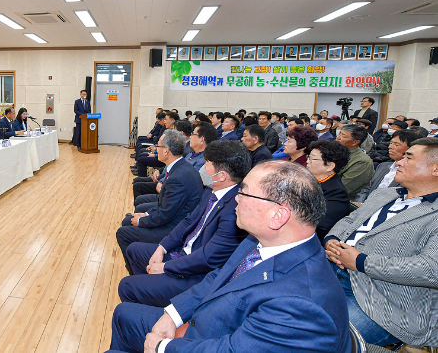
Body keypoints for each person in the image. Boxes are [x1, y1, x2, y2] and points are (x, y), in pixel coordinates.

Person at [108, 161, 351, 353]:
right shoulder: (259, 240)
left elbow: (231, 349)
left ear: (278, 216)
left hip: (211, 339)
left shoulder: (301, 305)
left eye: (245, 194)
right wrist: (173, 314)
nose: (236, 198)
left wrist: (163, 347)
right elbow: (217, 277)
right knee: (123, 315)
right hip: (204, 326)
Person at [325, 137, 438, 347]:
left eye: (408, 158)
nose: (399, 162)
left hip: (383, 301)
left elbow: (432, 269)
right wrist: (332, 239)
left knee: (319, 338)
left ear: (435, 169)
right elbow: (350, 220)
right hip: (331, 273)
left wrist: (361, 262)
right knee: (278, 315)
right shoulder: (384, 194)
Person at [117, 140, 250, 307]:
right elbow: (189, 221)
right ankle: (149, 292)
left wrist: (166, 267)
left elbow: (207, 258)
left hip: (195, 274)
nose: (203, 167)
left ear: (222, 175)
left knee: (127, 286)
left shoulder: (234, 211)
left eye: (208, 163)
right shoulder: (211, 191)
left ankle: (154, 304)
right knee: (135, 250)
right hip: (183, 252)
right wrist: (162, 248)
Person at [117, 130, 204, 275]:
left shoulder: (179, 177)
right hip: (173, 219)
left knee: (123, 232)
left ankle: (138, 274)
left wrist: (142, 221)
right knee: (128, 221)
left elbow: (165, 215)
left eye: (158, 146)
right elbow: (164, 206)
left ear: (166, 151)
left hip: (174, 229)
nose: (156, 148)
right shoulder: (180, 167)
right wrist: (145, 214)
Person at [132, 123, 216, 203]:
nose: (190, 137)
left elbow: (183, 178)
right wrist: (161, 177)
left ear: (202, 139)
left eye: (193, 134)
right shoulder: (191, 154)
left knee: (140, 196)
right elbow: (175, 168)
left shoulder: (203, 161)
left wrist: (162, 181)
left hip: (177, 193)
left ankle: (144, 215)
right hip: (169, 183)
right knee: (138, 186)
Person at [354, 130, 421, 205]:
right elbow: (367, 187)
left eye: (396, 144)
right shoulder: (383, 166)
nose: (390, 147)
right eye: (391, 143)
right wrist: (360, 202)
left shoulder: (412, 174)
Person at [305, 140, 350, 241]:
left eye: (313, 159)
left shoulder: (337, 193)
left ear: (330, 166)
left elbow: (321, 227)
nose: (308, 161)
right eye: (308, 157)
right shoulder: (307, 179)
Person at [336, 125, 375, 199]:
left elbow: (341, 188)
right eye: (339, 133)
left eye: (343, 136)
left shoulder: (361, 161)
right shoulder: (335, 152)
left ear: (355, 142)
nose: (338, 137)